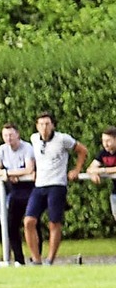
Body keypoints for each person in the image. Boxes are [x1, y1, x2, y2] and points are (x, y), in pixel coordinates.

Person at [24, 112, 88, 265]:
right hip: (39, 185)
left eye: (47, 124)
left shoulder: (62, 139)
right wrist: (31, 170)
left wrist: (76, 169)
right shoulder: (34, 139)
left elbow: (82, 150)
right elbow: (33, 157)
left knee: (54, 222)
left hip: (57, 184)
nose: (44, 128)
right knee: (29, 221)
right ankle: (36, 258)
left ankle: (50, 259)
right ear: (37, 126)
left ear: (53, 125)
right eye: (41, 124)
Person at [0, 123, 40, 266]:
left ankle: (37, 257)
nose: (8, 138)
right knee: (11, 225)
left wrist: (9, 173)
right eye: (5, 135)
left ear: (18, 134)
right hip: (15, 190)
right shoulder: (3, 149)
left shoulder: (27, 148)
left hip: (30, 189)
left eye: (11, 135)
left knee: (32, 223)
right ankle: (19, 259)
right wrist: (7, 174)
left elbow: (29, 169)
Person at [87, 126, 116, 223]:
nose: (105, 144)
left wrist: (102, 170)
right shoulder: (103, 153)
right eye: (103, 141)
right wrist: (93, 174)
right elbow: (90, 168)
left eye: (108, 141)